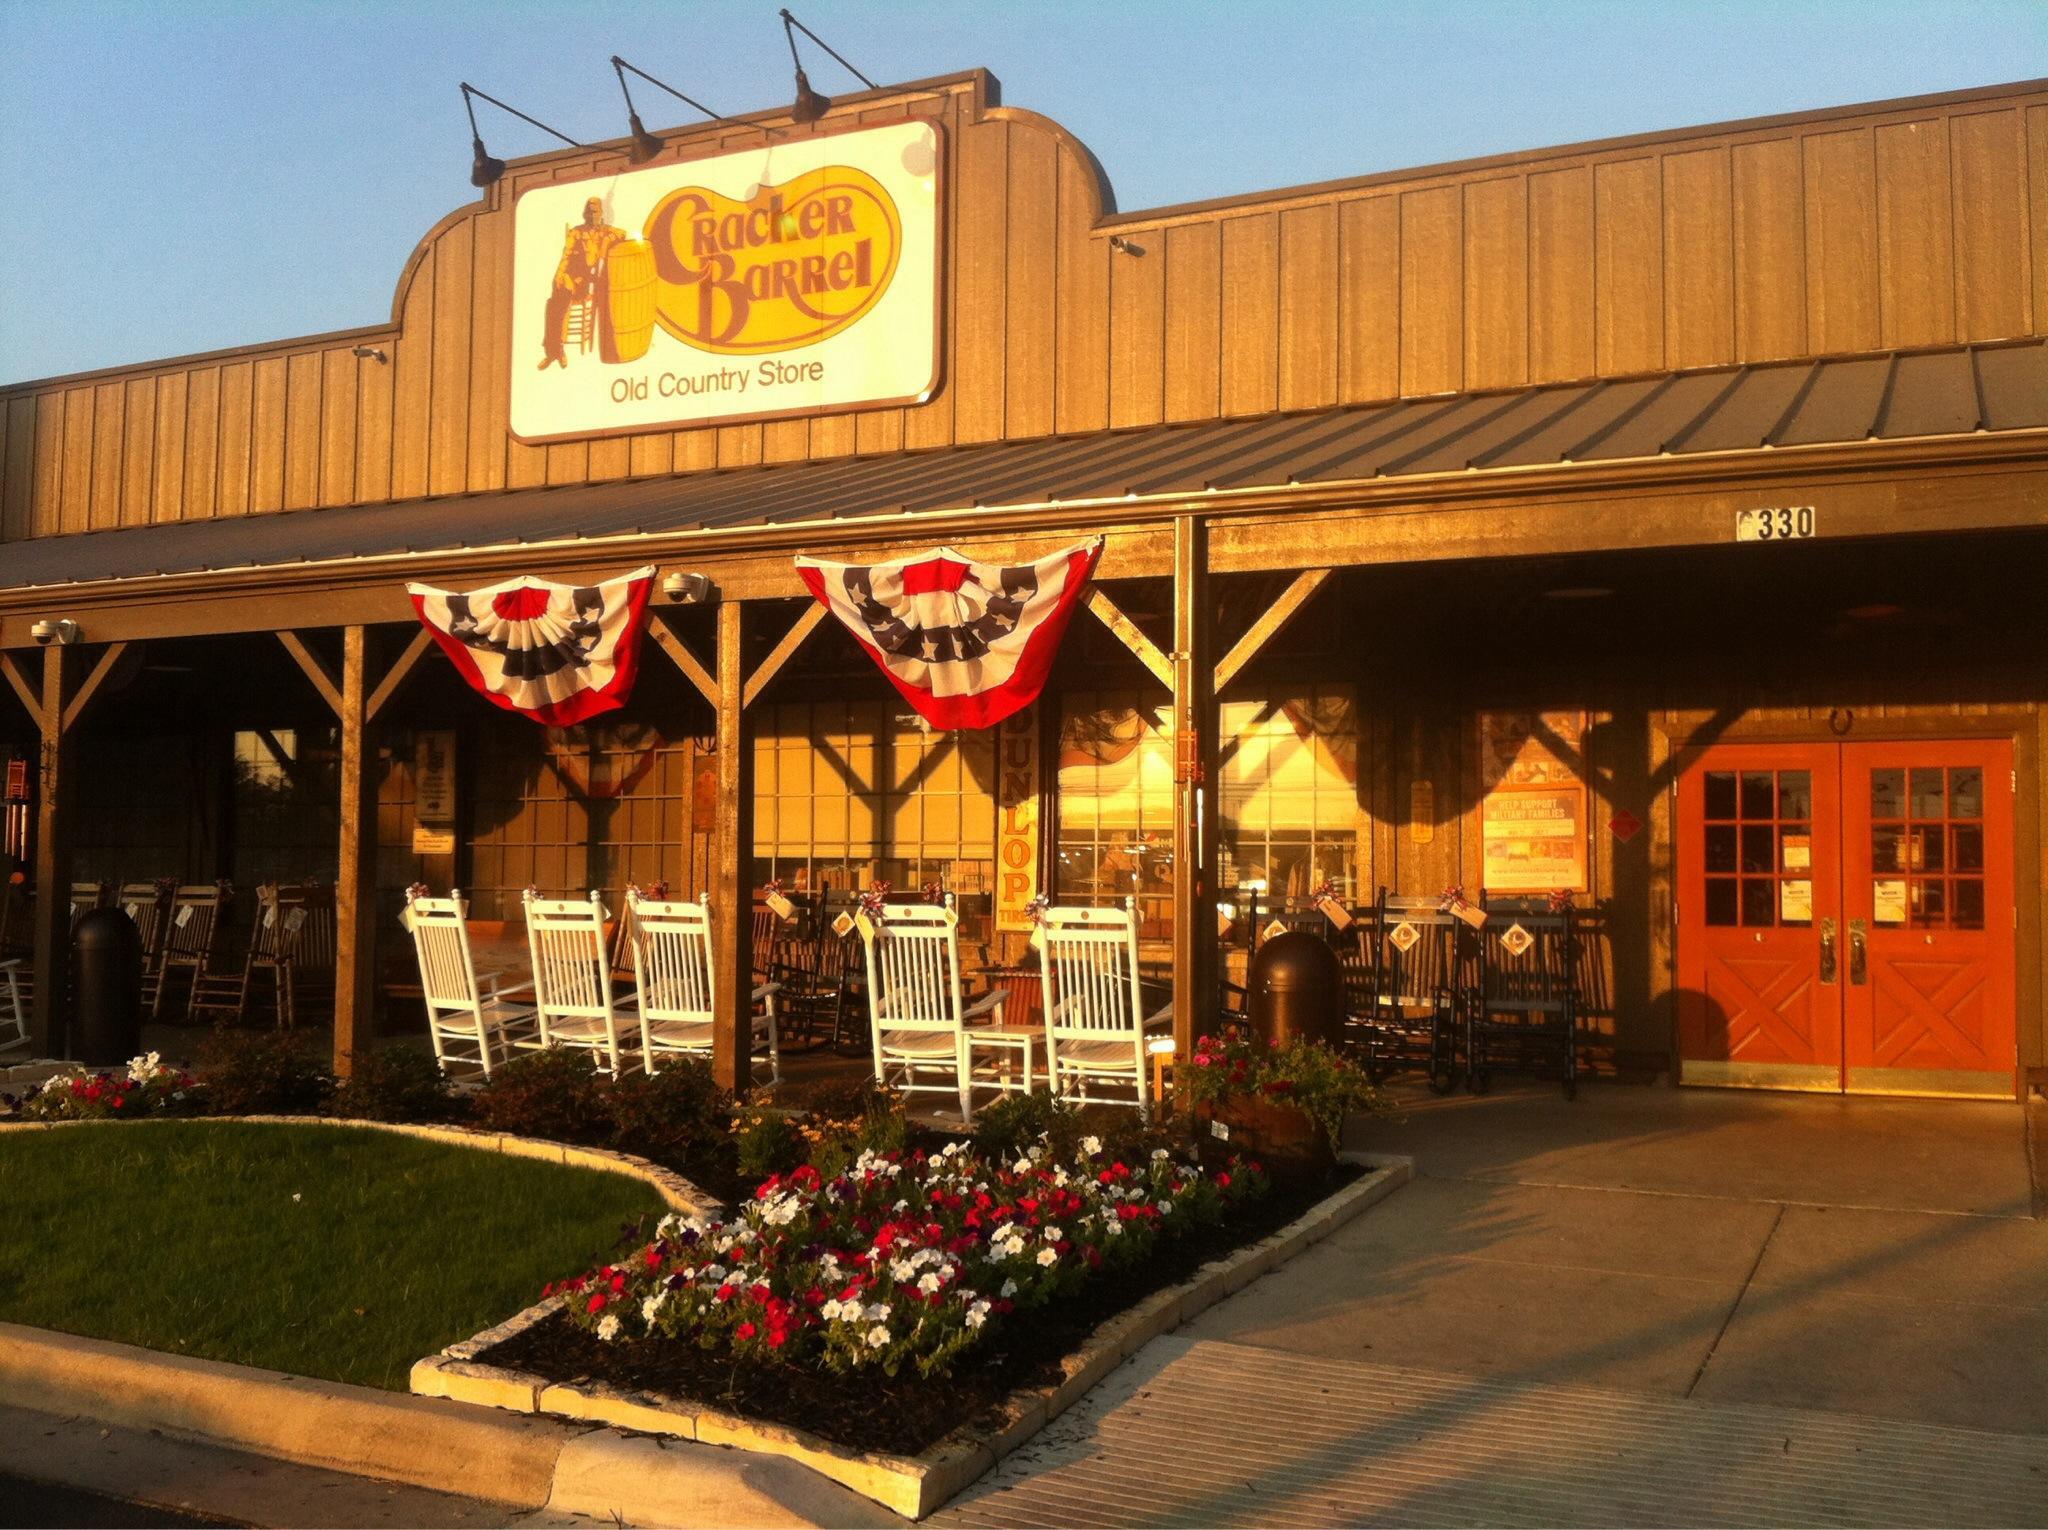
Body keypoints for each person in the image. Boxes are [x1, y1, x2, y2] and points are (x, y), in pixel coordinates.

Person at [539, 197, 624, 369]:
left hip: (595, 282)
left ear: (601, 214)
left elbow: (622, 234)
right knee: (556, 301)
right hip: (576, 279)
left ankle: (557, 350)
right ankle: (554, 351)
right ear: (584, 214)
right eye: (589, 211)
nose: (592, 215)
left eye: (595, 211)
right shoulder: (576, 232)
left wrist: (607, 240)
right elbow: (566, 255)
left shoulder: (606, 231)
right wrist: (559, 275)